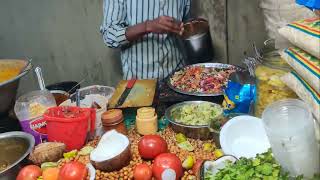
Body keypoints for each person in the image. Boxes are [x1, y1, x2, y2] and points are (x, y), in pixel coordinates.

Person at [100, 0, 191, 80]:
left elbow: (186, 25)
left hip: (178, 75)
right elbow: (109, 36)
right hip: (140, 80)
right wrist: (147, 26)